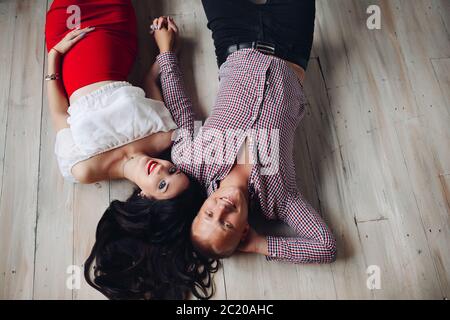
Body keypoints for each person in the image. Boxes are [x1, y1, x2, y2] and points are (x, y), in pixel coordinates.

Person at [45, 0, 218, 299]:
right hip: (117, 29)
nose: (163, 168)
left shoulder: (83, 168)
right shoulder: (163, 137)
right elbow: (150, 80)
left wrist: (54, 55)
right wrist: (166, 49)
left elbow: (60, 112)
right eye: (174, 170)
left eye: (162, 184)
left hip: (69, 38)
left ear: (145, 198)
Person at [157, 0, 337, 264]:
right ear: (243, 231)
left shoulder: (193, 162)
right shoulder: (279, 198)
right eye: (226, 225)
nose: (221, 209)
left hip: (234, 37)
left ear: (200, 209)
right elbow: (325, 247)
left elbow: (181, 109)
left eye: (208, 214)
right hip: (291, 46)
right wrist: (259, 245)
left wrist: (165, 53)